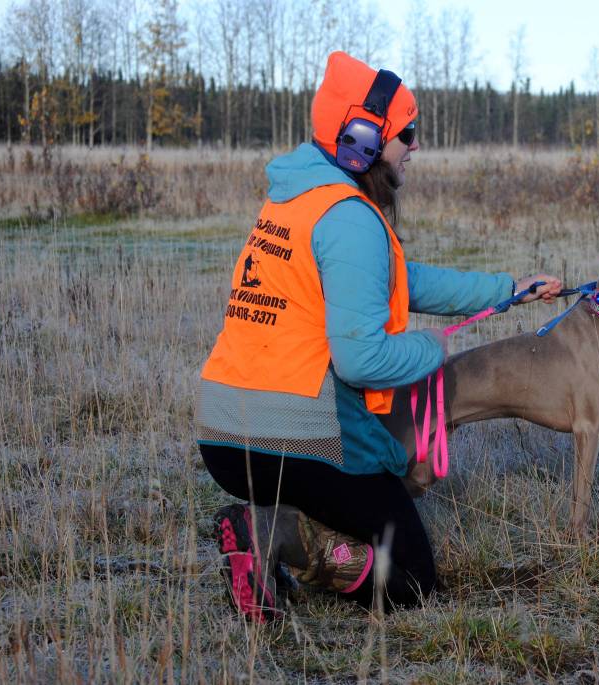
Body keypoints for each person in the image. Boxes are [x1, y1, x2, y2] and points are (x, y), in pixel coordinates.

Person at [195, 51, 561, 621]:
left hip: (224, 431)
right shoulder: (349, 218)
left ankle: (271, 535)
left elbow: (397, 280)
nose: (414, 146)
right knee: (412, 578)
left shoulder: (298, 199)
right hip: (295, 432)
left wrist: (507, 289)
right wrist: (430, 349)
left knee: (362, 501)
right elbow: (361, 360)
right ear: (362, 138)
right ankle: (277, 532)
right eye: (406, 134)